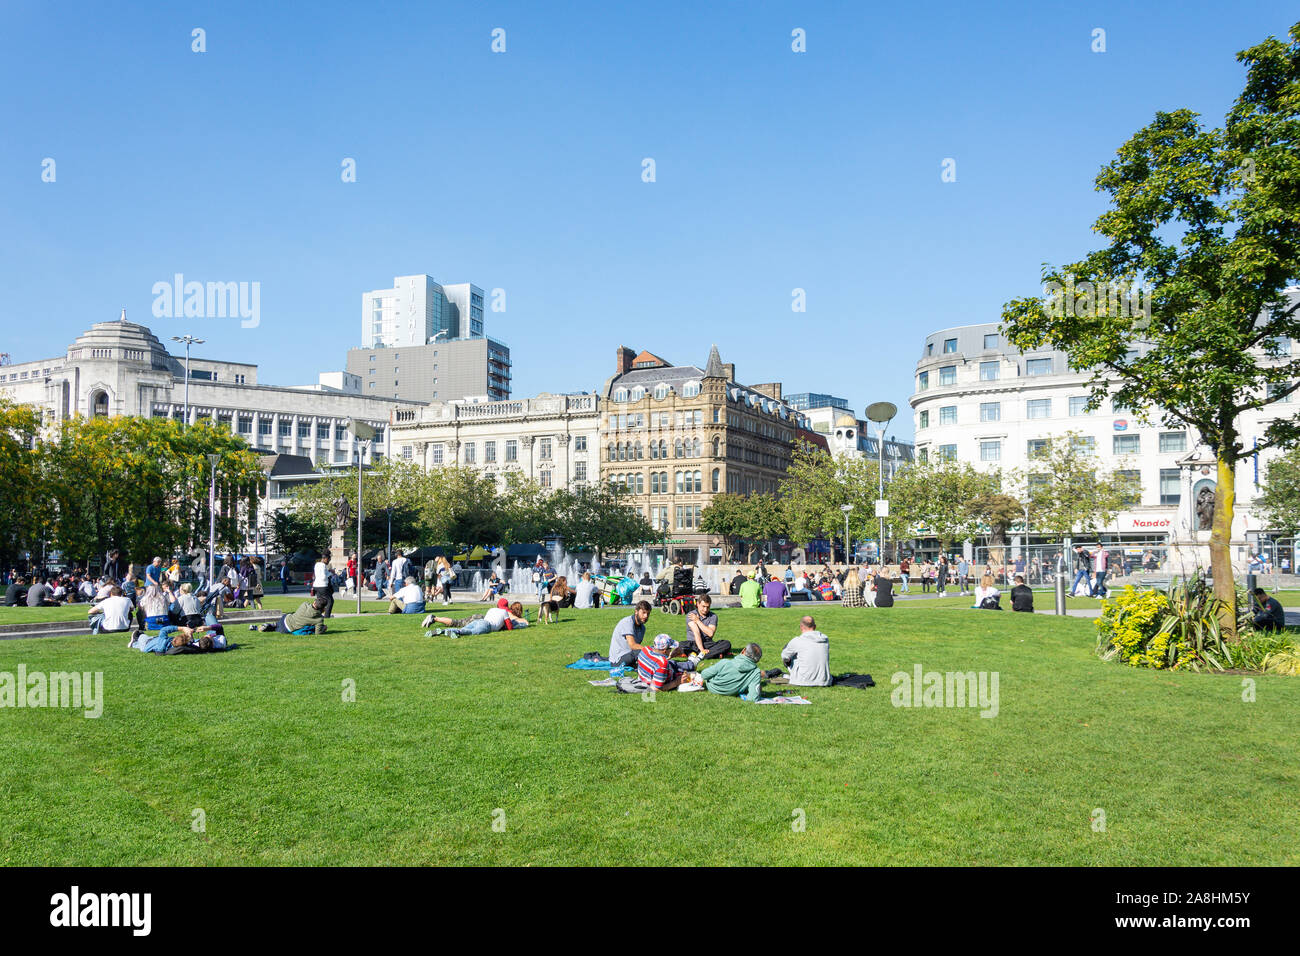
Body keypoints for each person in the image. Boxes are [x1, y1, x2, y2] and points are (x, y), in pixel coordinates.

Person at [698, 642, 767, 700]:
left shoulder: (725, 662)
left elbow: (704, 675)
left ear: (743, 650)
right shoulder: (755, 673)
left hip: (713, 688)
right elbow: (752, 698)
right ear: (757, 660)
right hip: (733, 692)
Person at [780, 616, 832, 687]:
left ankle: (795, 676)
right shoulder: (825, 639)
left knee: (788, 654)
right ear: (815, 626)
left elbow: (784, 656)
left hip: (802, 681)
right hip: (825, 681)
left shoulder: (797, 640)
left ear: (801, 627)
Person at [427, 598, 511, 636]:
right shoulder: (504, 612)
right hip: (487, 625)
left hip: (479, 621)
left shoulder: (492, 609)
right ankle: (453, 632)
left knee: (463, 628)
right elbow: (509, 626)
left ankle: (442, 631)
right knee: (470, 632)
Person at [682, 594, 730, 659]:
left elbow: (710, 633)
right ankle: (714, 654)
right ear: (698, 604)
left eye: (708, 607)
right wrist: (702, 649)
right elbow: (696, 632)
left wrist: (698, 621)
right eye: (703, 606)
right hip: (694, 643)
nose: (705, 609)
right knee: (681, 645)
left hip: (707, 643)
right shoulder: (691, 615)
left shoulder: (713, 616)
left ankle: (697, 655)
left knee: (726, 644)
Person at [253, 595, 330, 634]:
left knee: (279, 622)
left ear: (314, 602)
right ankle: (268, 626)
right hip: (289, 628)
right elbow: (318, 632)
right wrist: (324, 628)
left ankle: (269, 624)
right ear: (323, 608)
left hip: (285, 618)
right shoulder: (319, 619)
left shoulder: (305, 604)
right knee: (277, 629)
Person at [608, 600, 652, 667]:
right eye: (643, 613)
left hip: (630, 655)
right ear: (636, 611)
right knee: (644, 652)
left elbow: (636, 647)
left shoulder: (642, 628)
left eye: (648, 614)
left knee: (652, 649)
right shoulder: (627, 622)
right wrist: (649, 650)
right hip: (617, 659)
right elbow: (633, 645)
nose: (646, 616)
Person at [311, 552, 334, 618]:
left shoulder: (316, 564)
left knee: (319, 601)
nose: (328, 561)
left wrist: (328, 571)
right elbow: (324, 576)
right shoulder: (323, 565)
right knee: (330, 601)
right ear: (325, 558)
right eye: (328, 560)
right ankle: (327, 616)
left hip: (316, 585)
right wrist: (331, 573)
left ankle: (317, 615)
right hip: (323, 585)